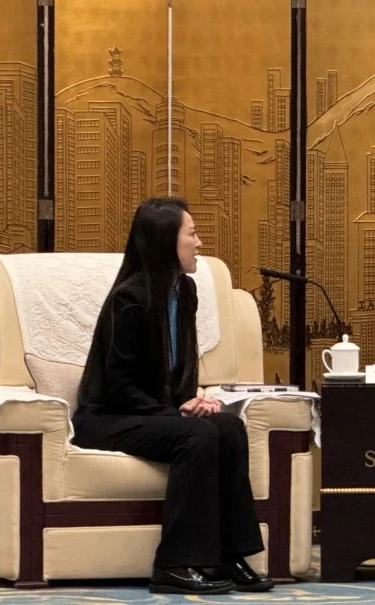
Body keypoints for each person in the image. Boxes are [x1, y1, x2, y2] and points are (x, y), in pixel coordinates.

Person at [72, 197, 273, 595]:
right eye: (192, 234)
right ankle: (173, 564)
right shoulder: (129, 299)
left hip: (155, 413)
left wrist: (194, 402)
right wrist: (175, 413)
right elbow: (118, 386)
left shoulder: (185, 289)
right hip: (109, 417)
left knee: (228, 427)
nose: (199, 243)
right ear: (167, 241)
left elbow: (181, 366)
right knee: (197, 435)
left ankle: (227, 555)